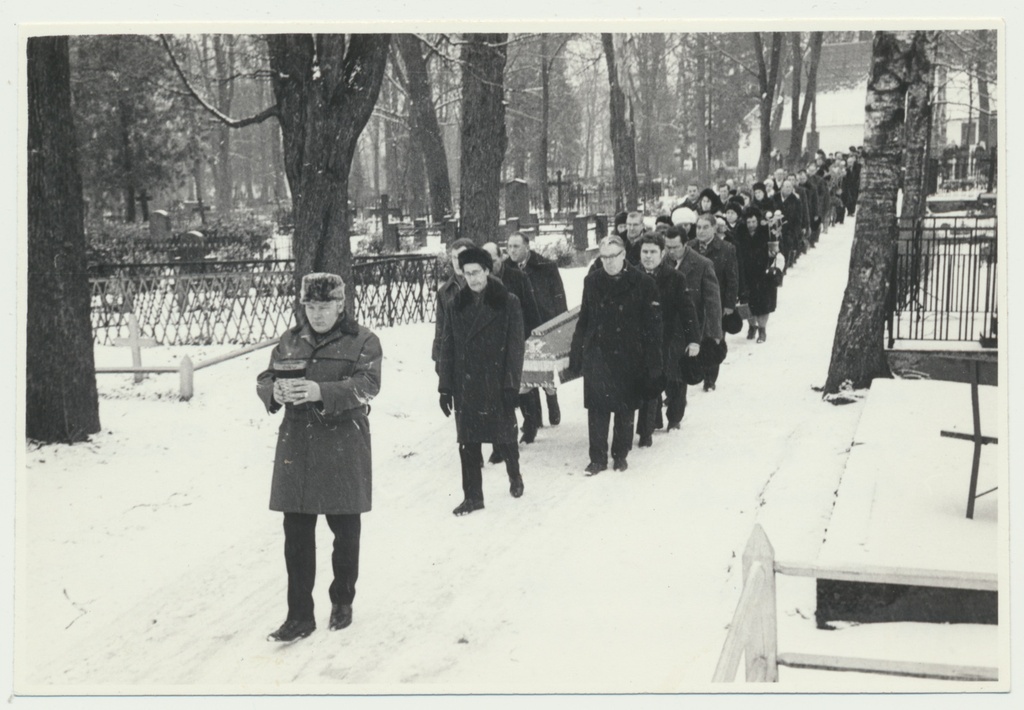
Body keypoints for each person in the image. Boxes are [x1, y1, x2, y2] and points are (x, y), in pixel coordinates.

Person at [257, 272, 383, 643]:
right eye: (310, 307)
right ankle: (299, 615)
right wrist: (274, 392)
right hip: (297, 445)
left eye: (325, 307)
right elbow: (265, 378)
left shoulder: (363, 340)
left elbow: (368, 386)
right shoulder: (290, 340)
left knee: (344, 531)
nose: (317, 315)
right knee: (295, 534)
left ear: (341, 305)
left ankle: (342, 601)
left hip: (343, 442)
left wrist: (319, 390)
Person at [438, 247, 525, 516]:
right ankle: (473, 497)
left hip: (497, 381)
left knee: (505, 437)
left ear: (487, 271)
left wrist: (512, 384)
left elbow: (515, 347)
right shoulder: (456, 305)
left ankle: (515, 475)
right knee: (468, 443)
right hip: (467, 384)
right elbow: (448, 345)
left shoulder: (508, 301)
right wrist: (444, 387)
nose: (473, 278)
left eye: (477, 272)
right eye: (467, 273)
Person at [569, 235, 663, 474]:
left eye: (614, 256)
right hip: (598, 353)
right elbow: (585, 319)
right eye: (604, 257)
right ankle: (597, 458)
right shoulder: (592, 281)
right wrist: (577, 351)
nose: (609, 262)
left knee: (625, 408)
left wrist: (652, 362)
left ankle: (620, 454)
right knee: (598, 409)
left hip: (630, 353)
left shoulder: (642, 283)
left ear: (623, 255)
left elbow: (652, 326)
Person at [635, 233, 699, 446]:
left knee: (674, 382)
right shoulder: (633, 275)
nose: (648, 256)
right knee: (649, 381)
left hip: (670, 337)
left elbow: (687, 311)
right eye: (645, 252)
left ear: (662, 254)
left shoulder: (675, 278)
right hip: (644, 340)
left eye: (653, 252)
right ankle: (647, 430)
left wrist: (693, 340)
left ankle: (674, 418)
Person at [505, 231, 569, 428]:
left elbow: (558, 297)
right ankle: (533, 417)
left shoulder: (545, 267)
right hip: (521, 325)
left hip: (544, 322)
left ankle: (552, 398)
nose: (512, 251)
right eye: (509, 247)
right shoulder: (506, 269)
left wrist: (561, 323)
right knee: (526, 372)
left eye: (516, 247)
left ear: (527, 247)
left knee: (544, 368)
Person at [482, 242, 542, 450]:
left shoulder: (517, 277)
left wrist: (532, 337)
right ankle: (505, 435)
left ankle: (531, 423)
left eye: (493, 259)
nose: (490, 264)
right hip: (494, 345)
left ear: (501, 257)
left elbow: (531, 308)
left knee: (524, 385)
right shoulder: (482, 281)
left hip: (519, 338)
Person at [663, 229, 722, 424]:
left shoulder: (703, 265)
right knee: (666, 370)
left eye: (675, 247)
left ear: (685, 245)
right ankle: (671, 401)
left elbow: (713, 302)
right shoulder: (661, 262)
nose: (670, 251)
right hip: (667, 326)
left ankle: (675, 417)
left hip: (690, 327)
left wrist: (714, 333)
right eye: (667, 247)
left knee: (680, 373)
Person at [688, 213, 738, 391]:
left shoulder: (726, 249)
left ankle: (710, 378)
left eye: (705, 227)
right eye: (698, 227)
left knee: (714, 339)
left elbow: (732, 279)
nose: (700, 231)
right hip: (694, 303)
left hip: (716, 303)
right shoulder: (689, 247)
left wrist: (729, 305)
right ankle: (695, 372)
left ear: (714, 228)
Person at [431, 237, 477, 370]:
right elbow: (441, 329)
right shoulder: (445, 291)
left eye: (461, 256)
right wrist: (439, 360)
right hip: (456, 359)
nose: (457, 262)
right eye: (454, 257)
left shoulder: (487, 285)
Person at [736, 207, 779, 343]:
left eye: (753, 222)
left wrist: (772, 255)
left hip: (763, 274)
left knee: (763, 304)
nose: (751, 225)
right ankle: (751, 326)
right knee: (748, 303)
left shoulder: (766, 232)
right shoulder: (740, 234)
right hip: (746, 274)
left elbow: (775, 249)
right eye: (748, 222)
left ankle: (762, 330)